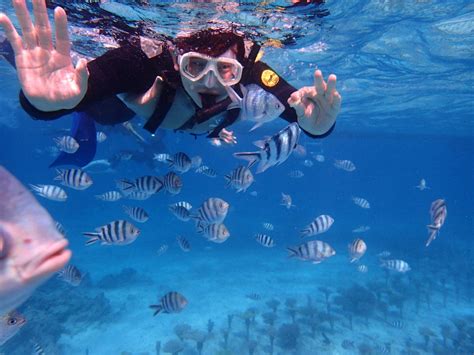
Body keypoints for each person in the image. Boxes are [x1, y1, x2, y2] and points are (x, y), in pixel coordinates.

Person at [0, 0, 341, 165]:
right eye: (194, 66)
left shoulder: (252, 68)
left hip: (174, 118)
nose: (208, 82)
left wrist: (317, 126)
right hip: (120, 107)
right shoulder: (142, 60)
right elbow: (76, 91)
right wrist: (44, 103)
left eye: (225, 70)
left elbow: (301, 109)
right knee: (104, 112)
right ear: (177, 60)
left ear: (242, 65)